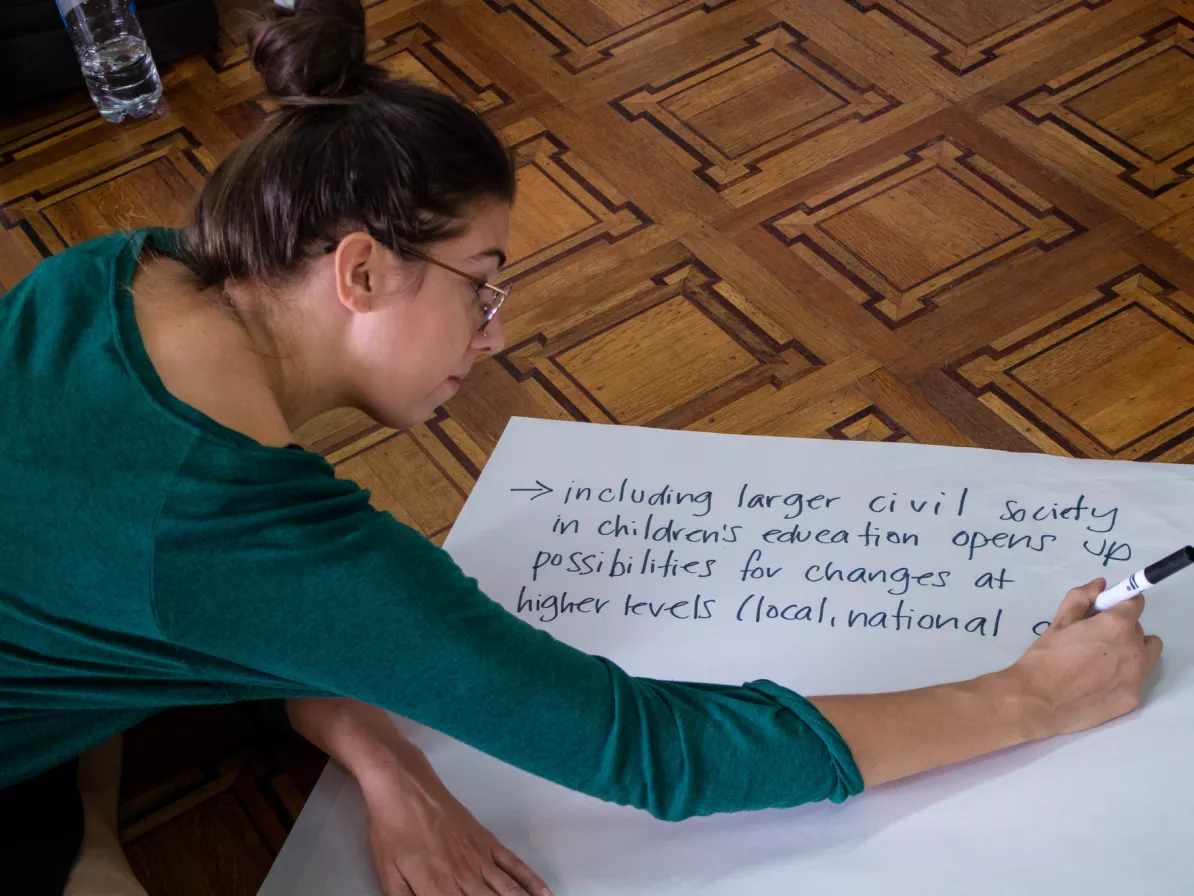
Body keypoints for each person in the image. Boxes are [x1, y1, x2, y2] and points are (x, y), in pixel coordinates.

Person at [0, 0, 1163, 893]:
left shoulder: (111, 271)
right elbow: (651, 750)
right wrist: (1029, 700)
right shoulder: (264, 537)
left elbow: (210, 583)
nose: (497, 331)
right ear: (357, 269)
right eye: (482, 284)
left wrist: (382, 754)